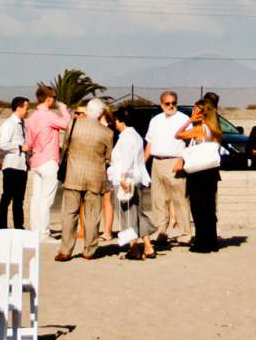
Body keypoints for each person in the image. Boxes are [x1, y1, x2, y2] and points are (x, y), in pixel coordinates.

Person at [53, 96, 113, 261]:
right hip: (95, 178)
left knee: (69, 214)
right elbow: (108, 157)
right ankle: (89, 250)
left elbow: (65, 147)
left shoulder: (73, 125)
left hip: (73, 175)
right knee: (92, 215)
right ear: (101, 113)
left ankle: (65, 250)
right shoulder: (107, 133)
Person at [143, 90, 191, 248]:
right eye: (167, 103)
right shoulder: (155, 120)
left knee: (180, 199)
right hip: (157, 162)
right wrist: (143, 163)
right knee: (158, 199)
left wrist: (182, 160)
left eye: (174, 103)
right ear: (161, 104)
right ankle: (161, 231)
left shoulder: (184, 119)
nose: (171, 106)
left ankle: (185, 233)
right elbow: (150, 143)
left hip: (175, 161)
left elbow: (190, 143)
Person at [107, 106, 152, 260]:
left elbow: (127, 159)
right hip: (137, 177)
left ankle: (134, 248)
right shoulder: (137, 136)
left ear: (120, 121)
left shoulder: (125, 137)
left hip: (126, 178)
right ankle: (147, 245)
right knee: (136, 212)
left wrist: (123, 177)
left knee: (126, 214)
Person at [23, 85, 67, 241]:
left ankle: (36, 231)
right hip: (49, 160)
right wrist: (64, 110)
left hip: (36, 161)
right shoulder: (48, 116)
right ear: (48, 98)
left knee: (36, 199)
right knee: (46, 200)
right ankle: (44, 234)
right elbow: (67, 125)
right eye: (53, 98)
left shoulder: (32, 117)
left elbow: (29, 142)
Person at [182, 95, 224, 252]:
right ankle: (211, 241)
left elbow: (178, 135)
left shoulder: (199, 128)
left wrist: (190, 121)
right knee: (209, 207)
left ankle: (202, 243)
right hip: (211, 171)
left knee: (198, 208)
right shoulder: (216, 129)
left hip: (198, 170)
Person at [0, 96, 29, 229]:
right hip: (11, 166)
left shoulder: (22, 124)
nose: (27, 111)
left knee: (19, 199)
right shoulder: (9, 124)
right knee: (7, 197)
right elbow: (3, 144)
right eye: (26, 108)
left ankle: (19, 226)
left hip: (21, 166)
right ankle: (2, 227)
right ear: (19, 108)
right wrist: (19, 148)